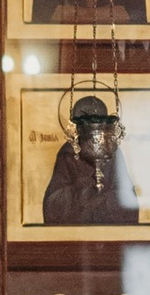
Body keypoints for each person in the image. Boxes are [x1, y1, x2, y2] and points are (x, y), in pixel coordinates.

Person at [40, 91, 140, 228]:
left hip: (108, 228)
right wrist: (79, 190)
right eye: (86, 122)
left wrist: (103, 199)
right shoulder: (68, 153)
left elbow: (127, 197)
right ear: (78, 126)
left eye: (97, 122)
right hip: (76, 231)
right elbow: (52, 205)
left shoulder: (112, 150)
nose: (92, 128)